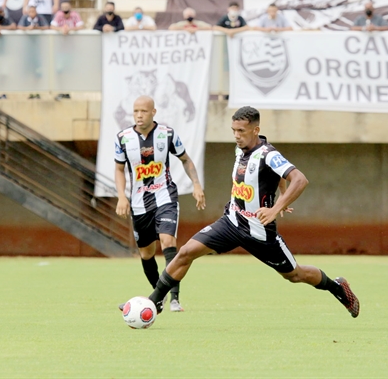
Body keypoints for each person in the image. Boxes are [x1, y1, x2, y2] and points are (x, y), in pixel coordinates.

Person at [143, 106, 360, 319]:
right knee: (186, 252)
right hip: (232, 221)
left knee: (295, 275)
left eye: (241, 131)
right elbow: (278, 178)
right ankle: (155, 302)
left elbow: (299, 179)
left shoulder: (268, 154)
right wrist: (281, 194)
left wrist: (277, 207)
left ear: (255, 130)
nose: (236, 136)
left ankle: (337, 288)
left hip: (260, 232)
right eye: (234, 131)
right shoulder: (240, 149)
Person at [115, 96, 206, 313]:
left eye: (143, 111)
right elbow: (119, 169)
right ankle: (158, 297)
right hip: (138, 204)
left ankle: (174, 299)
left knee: (167, 241)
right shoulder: (123, 138)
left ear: (153, 112)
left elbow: (185, 159)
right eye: (135, 111)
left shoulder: (167, 134)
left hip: (165, 196)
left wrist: (196, 185)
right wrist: (121, 196)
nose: (139, 115)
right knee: (146, 254)